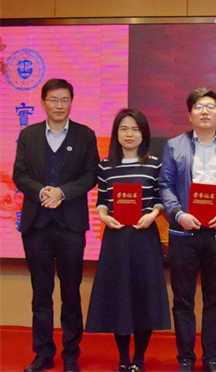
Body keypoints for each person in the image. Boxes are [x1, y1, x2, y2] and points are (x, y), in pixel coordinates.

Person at [13, 78, 99, 372]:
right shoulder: (29, 134)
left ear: (71, 102)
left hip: (70, 227)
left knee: (71, 293)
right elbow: (20, 175)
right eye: (53, 100)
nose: (59, 105)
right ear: (43, 103)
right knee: (41, 293)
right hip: (36, 226)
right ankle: (43, 353)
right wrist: (41, 192)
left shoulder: (85, 135)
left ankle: (71, 354)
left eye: (64, 100)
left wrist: (63, 192)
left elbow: (91, 175)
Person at [159, 88, 216, 372]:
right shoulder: (174, 145)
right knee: (183, 299)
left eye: (210, 106)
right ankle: (185, 358)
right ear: (190, 115)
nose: (205, 111)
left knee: (214, 299)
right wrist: (178, 214)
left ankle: (211, 358)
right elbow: (165, 185)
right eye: (198, 106)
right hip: (184, 233)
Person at [85, 108, 171, 372]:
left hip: (145, 238)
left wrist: (153, 214)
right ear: (116, 133)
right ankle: (123, 359)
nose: (129, 134)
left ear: (143, 133)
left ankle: (139, 359)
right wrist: (103, 215)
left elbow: (159, 199)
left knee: (143, 296)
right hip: (116, 239)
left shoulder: (154, 163)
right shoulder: (105, 165)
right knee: (119, 296)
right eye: (124, 129)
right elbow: (102, 199)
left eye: (135, 129)